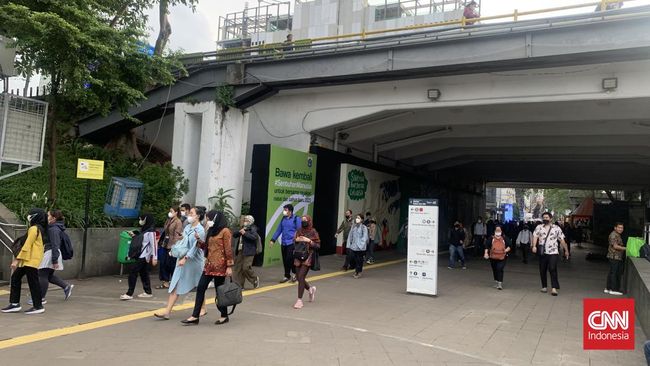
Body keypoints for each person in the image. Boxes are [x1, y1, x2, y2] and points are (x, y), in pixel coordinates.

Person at [154, 206, 206, 320]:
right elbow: (185, 241)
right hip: (182, 258)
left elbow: (195, 247)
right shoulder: (187, 226)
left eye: (191, 213)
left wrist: (185, 258)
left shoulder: (201, 230)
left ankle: (202, 308)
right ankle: (167, 311)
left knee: (199, 284)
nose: (189, 215)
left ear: (198, 216)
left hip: (194, 261)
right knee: (175, 283)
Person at [182, 211, 234, 325]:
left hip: (220, 266)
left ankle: (224, 315)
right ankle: (195, 316)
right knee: (200, 288)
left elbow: (228, 249)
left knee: (219, 291)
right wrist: (199, 241)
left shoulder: (225, 231)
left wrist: (229, 266)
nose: (207, 220)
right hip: (209, 265)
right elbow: (207, 247)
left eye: (208, 218)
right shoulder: (211, 230)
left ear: (215, 218)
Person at [2, 208, 47, 314]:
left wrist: (16, 260)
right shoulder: (40, 228)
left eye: (30, 215)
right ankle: (15, 304)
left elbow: (27, 245)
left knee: (32, 282)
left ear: (35, 216)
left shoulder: (34, 229)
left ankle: (37, 306)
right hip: (30, 260)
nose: (28, 217)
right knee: (17, 278)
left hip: (29, 260)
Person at [34, 210, 73, 305]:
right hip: (51, 252)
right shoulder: (54, 227)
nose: (46, 217)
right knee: (49, 275)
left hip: (51, 253)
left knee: (42, 274)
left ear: (53, 218)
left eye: (48, 215)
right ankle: (66, 286)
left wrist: (54, 259)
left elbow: (55, 244)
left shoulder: (53, 229)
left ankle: (40, 298)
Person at [120, 214, 158, 300]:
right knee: (143, 273)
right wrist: (134, 235)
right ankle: (148, 292)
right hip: (141, 255)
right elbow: (142, 241)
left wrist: (155, 257)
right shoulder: (145, 229)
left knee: (133, 272)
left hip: (144, 256)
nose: (140, 221)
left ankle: (129, 293)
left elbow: (154, 245)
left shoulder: (151, 232)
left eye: (142, 219)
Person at [532, 212, 570, 296]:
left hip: (553, 252)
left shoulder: (556, 228)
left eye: (547, 217)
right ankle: (544, 286)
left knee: (552, 268)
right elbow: (535, 236)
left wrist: (566, 250)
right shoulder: (539, 227)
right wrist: (534, 246)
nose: (545, 219)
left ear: (551, 218)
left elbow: (562, 240)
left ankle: (554, 288)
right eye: (544, 217)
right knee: (542, 269)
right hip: (543, 252)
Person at [292, 215, 320, 309]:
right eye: (302, 220)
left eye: (305, 220)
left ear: (309, 221)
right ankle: (310, 289)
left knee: (301, 276)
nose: (303, 222)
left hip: (308, 256)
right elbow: (294, 240)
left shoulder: (313, 231)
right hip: (298, 255)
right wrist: (297, 239)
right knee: (299, 278)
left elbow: (317, 246)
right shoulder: (299, 230)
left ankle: (299, 300)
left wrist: (309, 241)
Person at [270, 204, 301, 283]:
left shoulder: (296, 219)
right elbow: (278, 230)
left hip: (292, 243)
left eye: (285, 210)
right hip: (284, 243)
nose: (284, 212)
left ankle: (295, 274)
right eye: (284, 210)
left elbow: (300, 231)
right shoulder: (283, 219)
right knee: (285, 260)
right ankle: (287, 276)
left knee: (289, 259)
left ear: (290, 211)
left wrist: (298, 240)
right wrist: (273, 240)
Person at [156, 206, 183, 289]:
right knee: (163, 263)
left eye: (171, 211)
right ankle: (165, 281)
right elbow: (165, 231)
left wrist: (174, 246)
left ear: (176, 212)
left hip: (172, 245)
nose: (170, 212)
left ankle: (173, 281)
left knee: (171, 264)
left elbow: (177, 235)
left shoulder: (178, 222)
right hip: (165, 243)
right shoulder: (168, 220)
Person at [233, 215, 260, 289]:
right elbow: (234, 235)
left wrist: (245, 233)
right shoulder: (242, 228)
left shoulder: (253, 228)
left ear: (251, 221)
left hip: (249, 250)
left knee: (246, 267)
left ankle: (254, 279)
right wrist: (240, 232)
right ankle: (239, 285)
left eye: (247, 220)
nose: (245, 222)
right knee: (238, 268)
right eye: (245, 220)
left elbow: (254, 237)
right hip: (240, 250)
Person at [484, 226, 512, 290]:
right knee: (494, 269)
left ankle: (500, 284)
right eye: (497, 230)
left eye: (499, 230)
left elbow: (510, 245)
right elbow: (486, 245)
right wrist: (485, 253)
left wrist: (505, 251)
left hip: (502, 256)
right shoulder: (491, 238)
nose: (498, 232)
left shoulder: (504, 238)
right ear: (494, 231)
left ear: (501, 231)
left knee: (499, 268)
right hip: (493, 257)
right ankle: (496, 281)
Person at [605, 222, 626, 296]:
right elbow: (615, 246)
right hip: (614, 256)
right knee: (615, 273)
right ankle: (613, 289)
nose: (621, 229)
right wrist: (626, 248)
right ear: (615, 228)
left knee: (612, 272)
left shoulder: (617, 234)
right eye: (619, 227)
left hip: (615, 256)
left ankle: (608, 288)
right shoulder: (613, 235)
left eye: (622, 228)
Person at [347, 214, 368, 279]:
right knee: (353, 259)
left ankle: (358, 272)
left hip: (360, 247)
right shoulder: (353, 226)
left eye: (358, 218)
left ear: (361, 220)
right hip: (353, 246)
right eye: (356, 218)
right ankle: (356, 271)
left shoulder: (364, 227)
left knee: (359, 260)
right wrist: (349, 244)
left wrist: (360, 245)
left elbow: (365, 237)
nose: (357, 219)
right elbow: (350, 235)